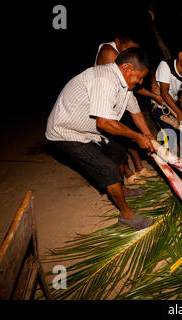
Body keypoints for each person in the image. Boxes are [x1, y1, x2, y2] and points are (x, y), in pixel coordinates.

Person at [46, 47, 155, 230]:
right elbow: (104, 123)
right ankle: (126, 215)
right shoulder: (104, 79)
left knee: (118, 151)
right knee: (108, 169)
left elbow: (136, 112)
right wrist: (138, 137)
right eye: (140, 77)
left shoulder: (125, 84)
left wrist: (148, 136)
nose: (141, 82)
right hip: (66, 132)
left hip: (89, 131)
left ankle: (123, 190)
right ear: (127, 68)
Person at [95, 35, 160, 184]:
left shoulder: (128, 67)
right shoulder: (109, 52)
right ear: (118, 42)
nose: (133, 54)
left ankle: (139, 168)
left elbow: (135, 107)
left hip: (120, 97)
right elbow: (129, 80)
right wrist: (154, 96)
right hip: (107, 104)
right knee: (121, 139)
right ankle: (128, 173)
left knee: (135, 132)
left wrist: (148, 135)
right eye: (129, 50)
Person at [152, 43, 182, 144]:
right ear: (181, 55)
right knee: (168, 136)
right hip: (160, 104)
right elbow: (164, 93)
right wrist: (180, 113)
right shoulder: (166, 66)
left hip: (173, 102)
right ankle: (166, 158)